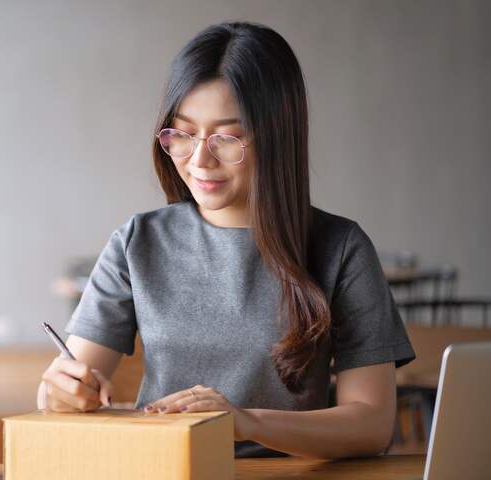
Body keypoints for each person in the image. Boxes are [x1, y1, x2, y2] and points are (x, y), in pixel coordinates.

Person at [36, 21, 416, 459]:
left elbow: (370, 423)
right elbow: (69, 386)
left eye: (227, 138)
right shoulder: (137, 242)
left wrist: (242, 421)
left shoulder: (340, 248)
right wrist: (61, 393)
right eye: (181, 133)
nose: (199, 160)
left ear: (277, 135)